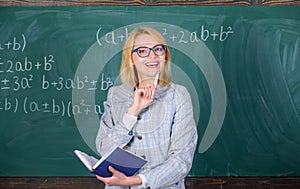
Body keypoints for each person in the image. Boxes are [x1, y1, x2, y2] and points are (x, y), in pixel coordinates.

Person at [95, 26, 198, 189]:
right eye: (142, 51)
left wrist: (137, 181)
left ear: (165, 55)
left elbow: (181, 160)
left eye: (158, 49)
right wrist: (132, 112)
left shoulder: (178, 95)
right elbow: (104, 149)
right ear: (131, 58)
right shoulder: (115, 95)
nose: (153, 55)